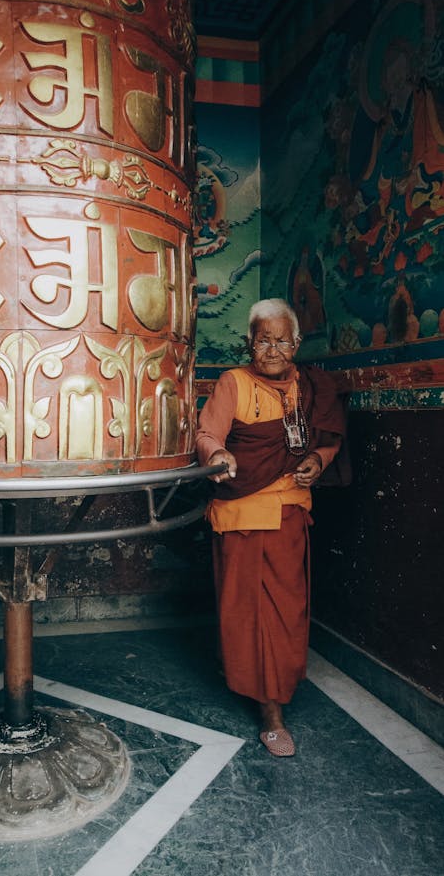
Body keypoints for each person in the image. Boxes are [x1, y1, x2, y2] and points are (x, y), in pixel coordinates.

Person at [195, 298, 345, 757]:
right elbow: (207, 434)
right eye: (264, 340)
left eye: (283, 340)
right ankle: (270, 712)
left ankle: (276, 688)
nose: (274, 349)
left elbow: (327, 441)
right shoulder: (233, 383)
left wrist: (317, 462)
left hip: (290, 516)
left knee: (286, 612)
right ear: (249, 343)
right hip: (242, 518)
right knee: (246, 614)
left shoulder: (312, 387)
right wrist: (217, 456)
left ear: (296, 343)